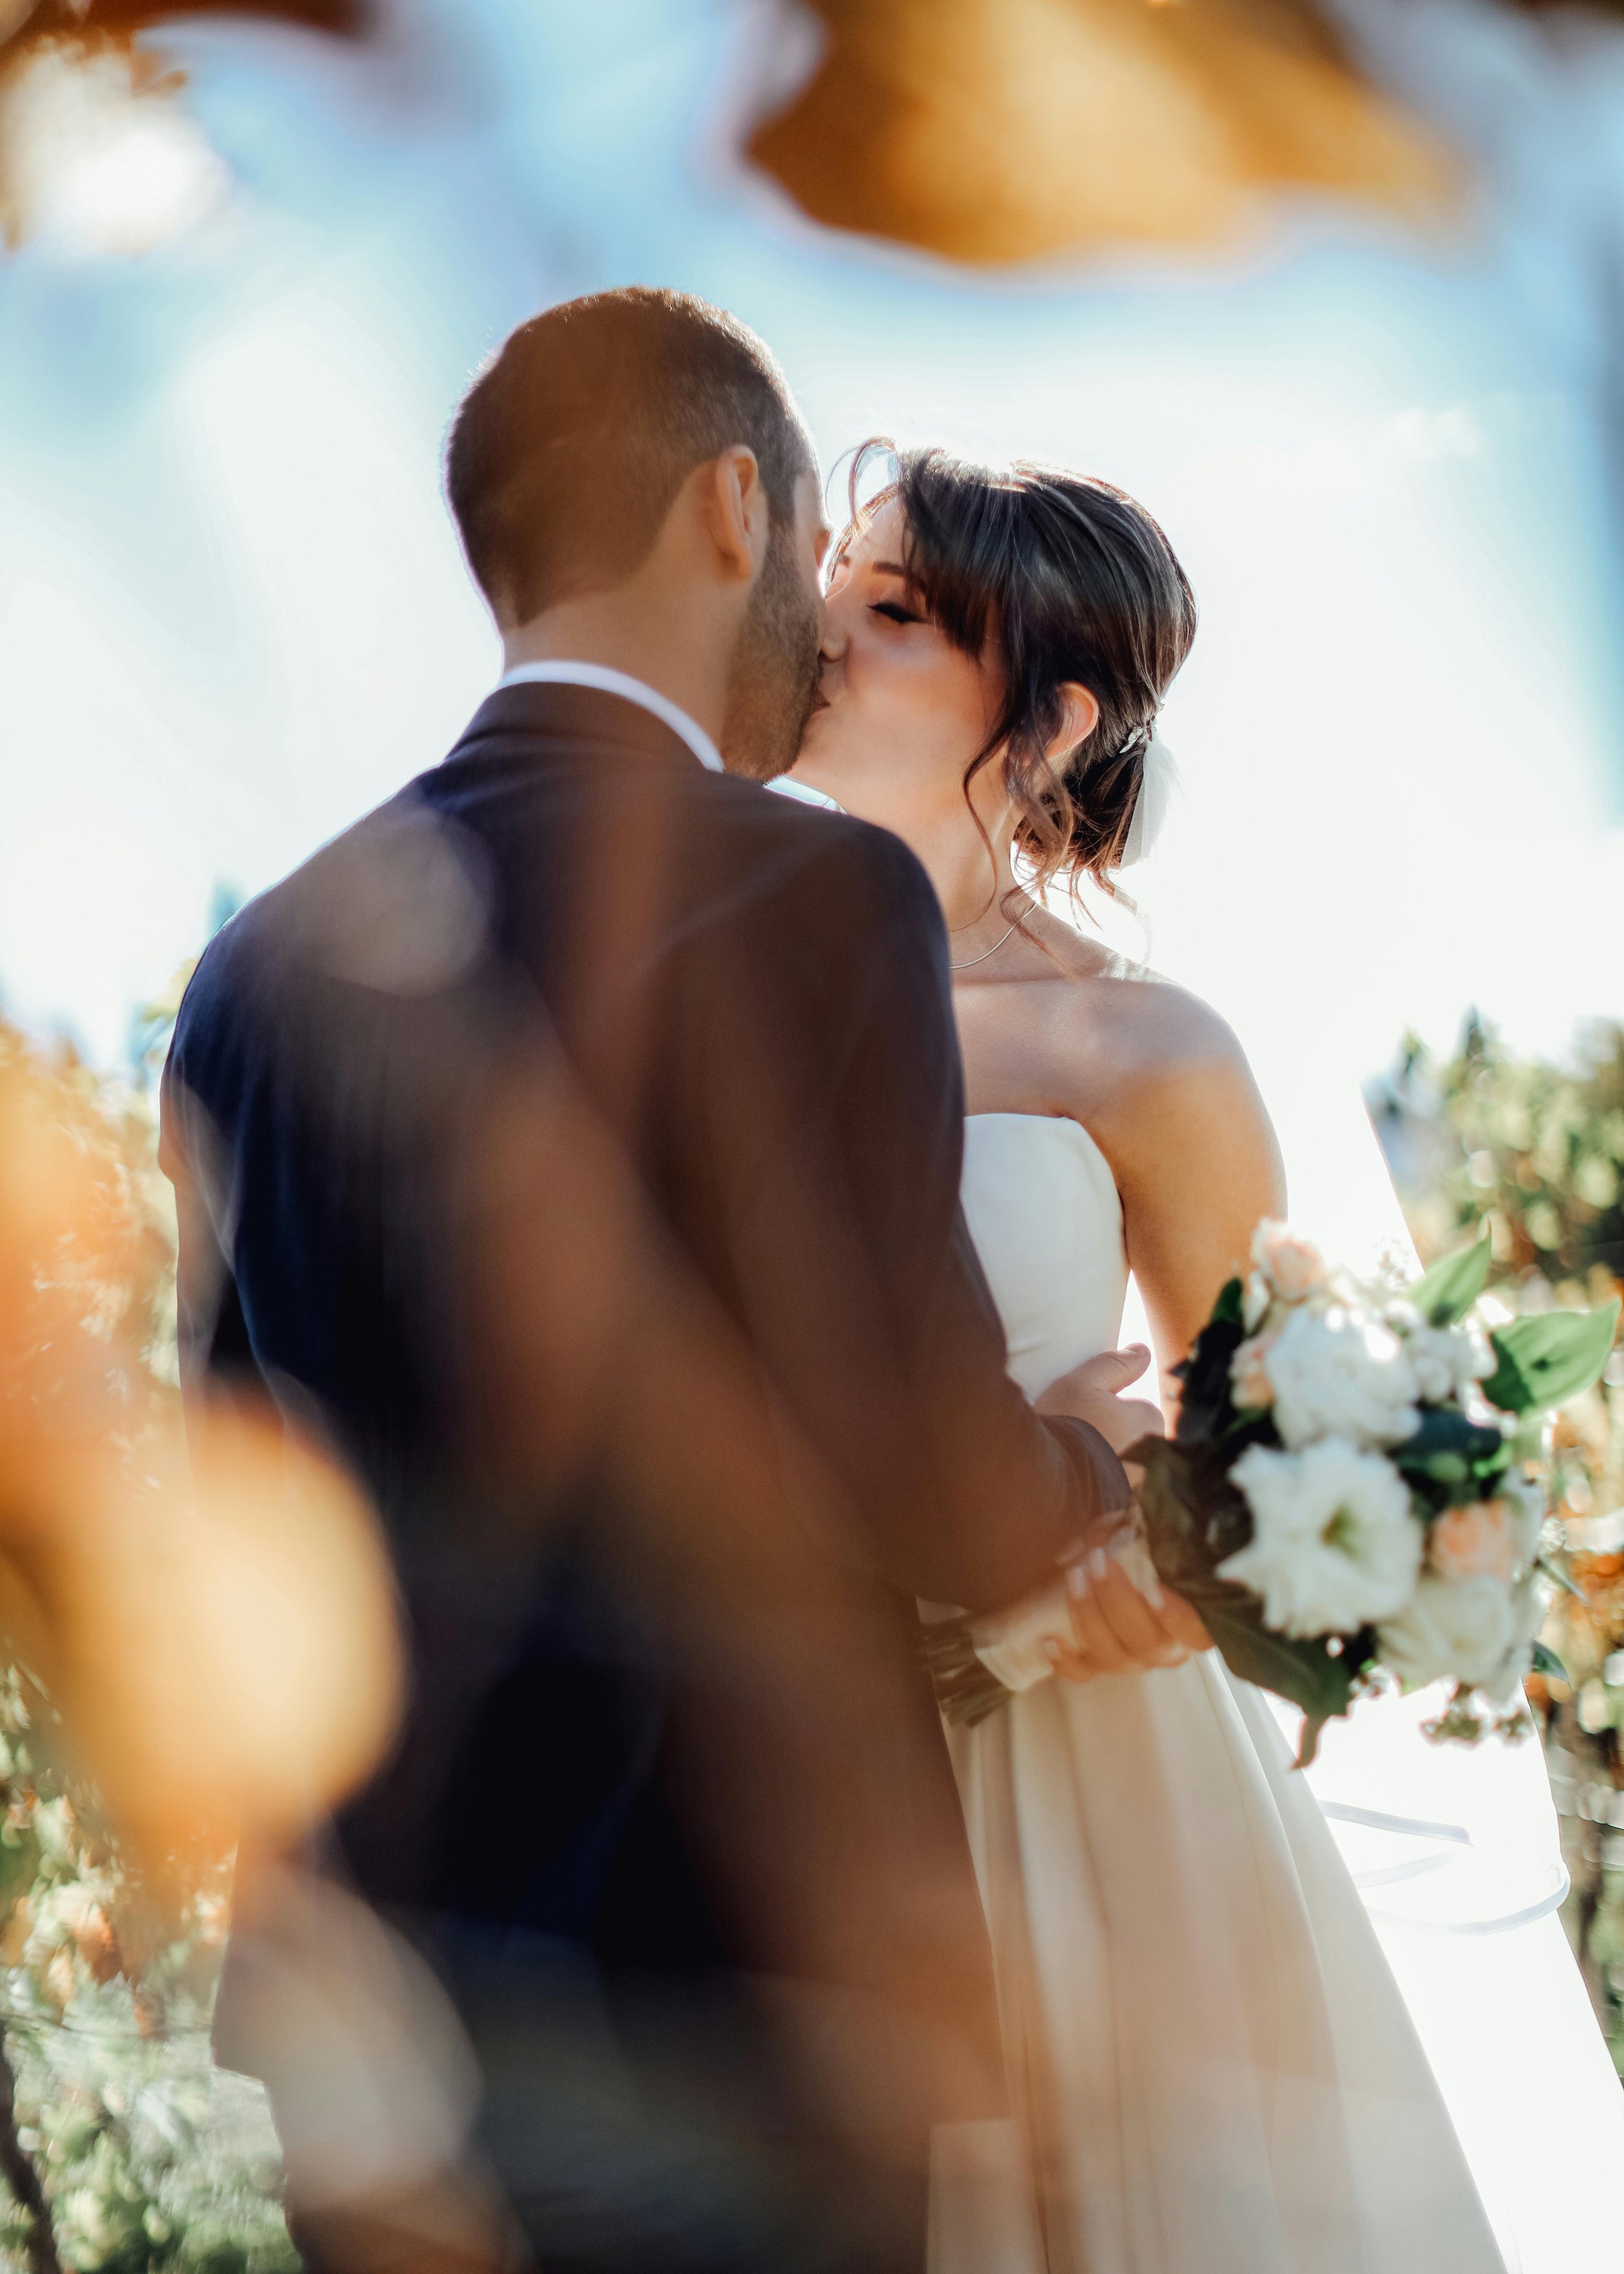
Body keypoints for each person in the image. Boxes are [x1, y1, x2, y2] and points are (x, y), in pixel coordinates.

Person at [159, 290, 1202, 2274]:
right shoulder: (807, 891)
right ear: (735, 507)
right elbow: (915, 1447)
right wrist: (1080, 1458)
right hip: (737, 1989)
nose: (821, 622)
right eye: (820, 559)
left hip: (373, 2022)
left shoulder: (254, 970)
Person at [781, 444, 1512, 2273]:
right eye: (832, 587)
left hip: (1116, 1798)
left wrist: (1117, 1565)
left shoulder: (1137, 1056)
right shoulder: (717, 1003)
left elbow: (1263, 1471)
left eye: (884, 613)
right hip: (832, 1811)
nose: (813, 633)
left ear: (1040, 723)